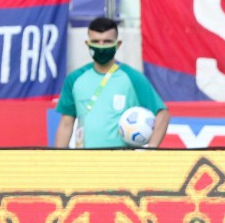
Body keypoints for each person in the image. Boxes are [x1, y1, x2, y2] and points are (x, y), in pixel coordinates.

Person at [54, 16, 170, 149]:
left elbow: (163, 114)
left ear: (118, 44)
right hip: (84, 161)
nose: (101, 46)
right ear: (87, 44)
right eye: (96, 41)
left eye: (107, 41)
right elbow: (66, 124)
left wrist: (151, 150)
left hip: (120, 162)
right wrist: (58, 160)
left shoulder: (132, 77)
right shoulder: (74, 79)